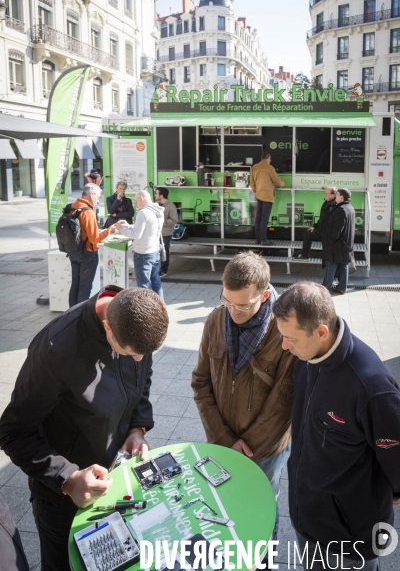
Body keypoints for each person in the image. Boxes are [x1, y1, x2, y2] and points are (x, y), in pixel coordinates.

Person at [0, 286, 169, 571]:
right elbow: (13, 432)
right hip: (63, 497)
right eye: (130, 353)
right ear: (107, 328)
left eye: (146, 353)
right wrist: (68, 478)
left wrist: (136, 428)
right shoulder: (56, 349)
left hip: (113, 480)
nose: (139, 359)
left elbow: (141, 381)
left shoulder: (138, 325)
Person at [273, 281, 400, 570]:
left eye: (290, 338)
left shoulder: (371, 386)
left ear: (321, 332)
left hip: (350, 535)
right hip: (308, 517)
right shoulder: (307, 355)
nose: (284, 346)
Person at [192, 251, 295, 540]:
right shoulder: (216, 319)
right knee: (227, 506)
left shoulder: (283, 330)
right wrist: (224, 438)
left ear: (263, 298)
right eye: (227, 300)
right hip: (223, 441)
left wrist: (248, 448)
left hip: (264, 451)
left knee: (263, 509)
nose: (233, 312)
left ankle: (264, 558)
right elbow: (201, 382)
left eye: (243, 306)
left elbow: (284, 401)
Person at [68, 184, 117, 307]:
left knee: (75, 285)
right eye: (98, 196)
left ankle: (71, 314)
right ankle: (80, 316)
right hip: (87, 254)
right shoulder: (88, 212)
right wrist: (109, 231)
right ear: (92, 194)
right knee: (84, 288)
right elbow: (94, 239)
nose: (99, 200)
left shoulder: (72, 207)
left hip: (73, 252)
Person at [116, 190, 164, 298]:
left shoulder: (143, 213)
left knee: (143, 286)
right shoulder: (157, 211)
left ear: (141, 199)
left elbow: (136, 235)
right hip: (154, 251)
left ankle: (146, 312)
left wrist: (121, 228)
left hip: (143, 253)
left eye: (135, 201)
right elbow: (148, 228)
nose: (135, 204)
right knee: (156, 283)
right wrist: (129, 226)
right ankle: (161, 308)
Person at [321, 187, 355, 294]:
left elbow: (337, 229)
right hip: (346, 244)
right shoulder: (350, 208)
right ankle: (341, 288)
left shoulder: (341, 209)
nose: (336, 196)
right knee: (343, 265)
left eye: (337, 195)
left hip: (336, 244)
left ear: (342, 197)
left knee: (331, 265)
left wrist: (330, 240)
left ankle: (326, 288)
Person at [250, 152, 285, 245]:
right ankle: (263, 239)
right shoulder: (269, 168)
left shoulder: (254, 167)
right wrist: (283, 184)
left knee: (258, 217)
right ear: (268, 158)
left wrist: (256, 190)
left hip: (259, 195)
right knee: (264, 218)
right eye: (270, 159)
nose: (270, 160)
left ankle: (257, 239)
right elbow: (277, 180)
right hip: (267, 196)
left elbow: (251, 183)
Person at [295, 186, 337, 260]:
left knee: (308, 235)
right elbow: (322, 218)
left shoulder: (334, 205)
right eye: (325, 193)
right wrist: (314, 226)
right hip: (322, 230)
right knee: (308, 233)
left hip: (326, 232)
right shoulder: (327, 202)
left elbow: (326, 221)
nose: (325, 195)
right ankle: (305, 255)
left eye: (327, 193)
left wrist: (319, 229)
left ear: (334, 195)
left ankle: (305, 256)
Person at [156, 187, 178, 277]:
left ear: (161, 195)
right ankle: (155, 270)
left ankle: (164, 270)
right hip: (156, 232)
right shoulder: (155, 204)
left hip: (166, 233)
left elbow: (174, 220)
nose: (155, 195)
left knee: (164, 251)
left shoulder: (171, 206)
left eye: (156, 193)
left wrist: (161, 221)